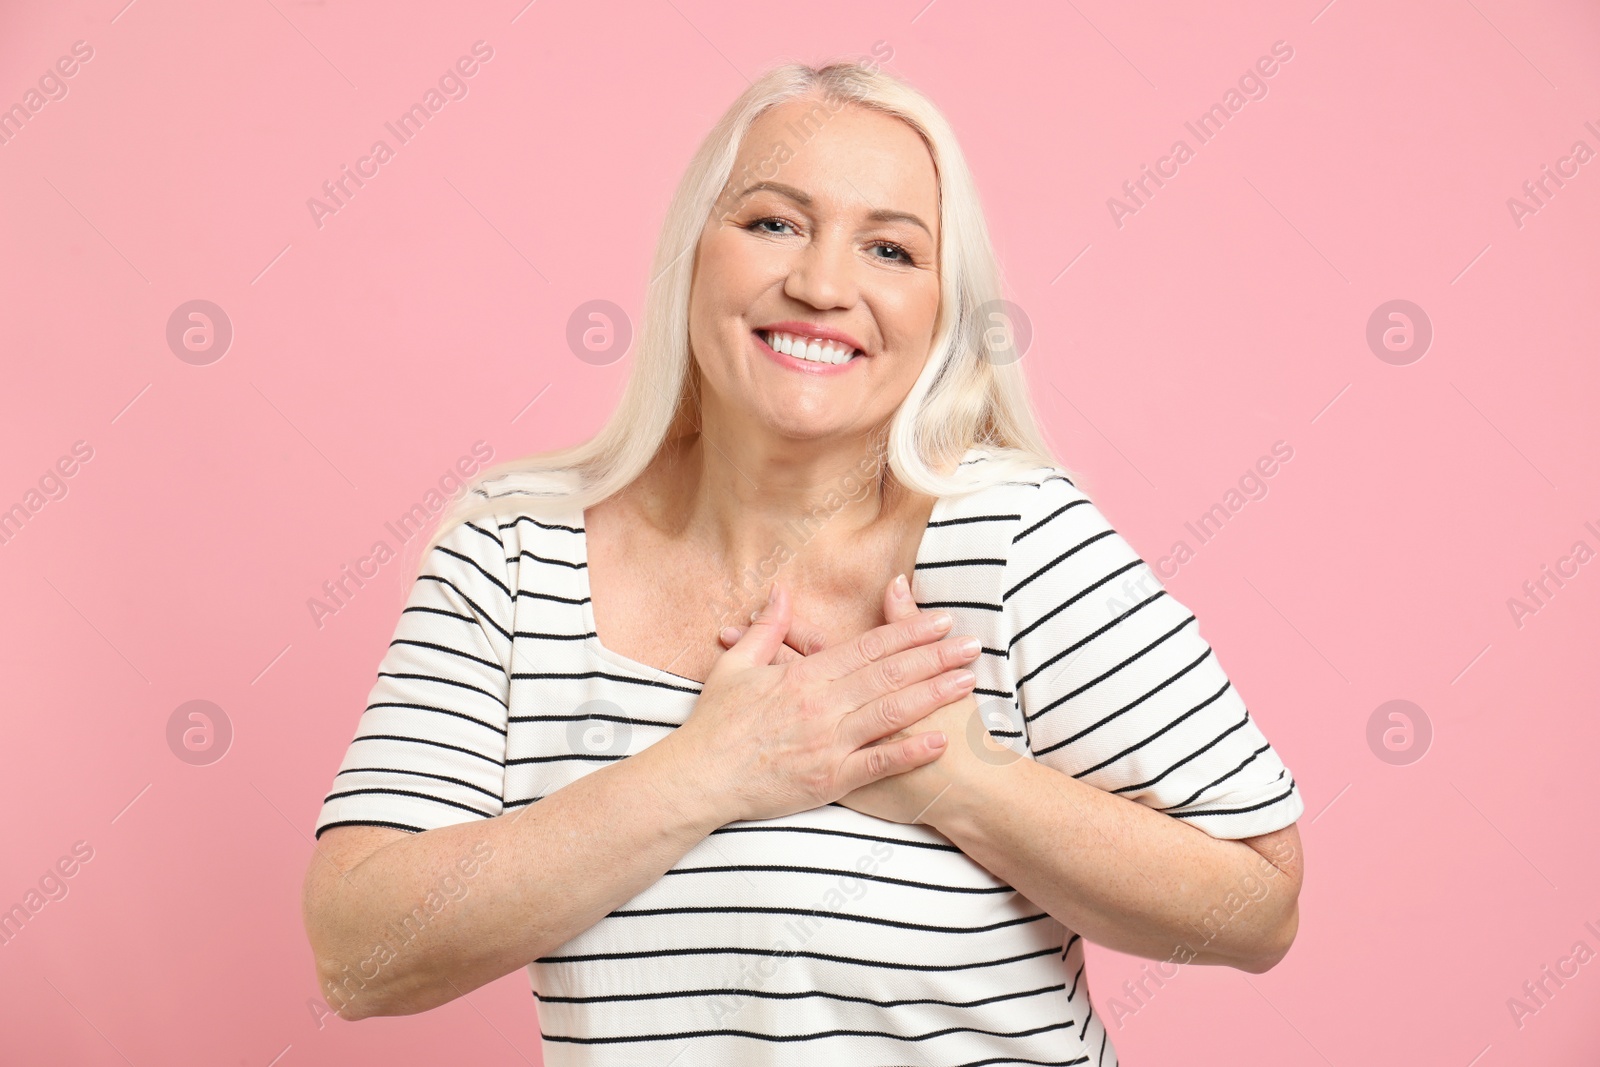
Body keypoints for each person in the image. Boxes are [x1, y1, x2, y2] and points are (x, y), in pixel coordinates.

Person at [301, 57, 1305, 1067]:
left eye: (891, 249)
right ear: (694, 253)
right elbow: (357, 951)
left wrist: (961, 779)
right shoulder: (513, 558)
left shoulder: (1015, 542)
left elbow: (1257, 907)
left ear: (944, 312)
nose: (823, 285)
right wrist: (709, 770)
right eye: (774, 222)